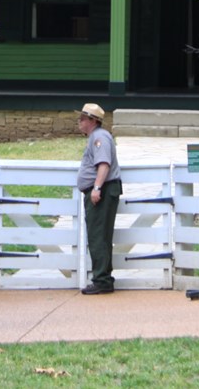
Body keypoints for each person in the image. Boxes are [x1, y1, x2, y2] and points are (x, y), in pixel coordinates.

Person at [76, 103, 122, 295]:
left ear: (93, 121)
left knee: (98, 236)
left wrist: (96, 188)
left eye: (83, 119)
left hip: (102, 192)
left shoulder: (99, 138)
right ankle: (103, 278)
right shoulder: (97, 137)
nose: (80, 122)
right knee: (100, 235)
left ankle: (101, 280)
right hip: (104, 190)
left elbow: (103, 165)